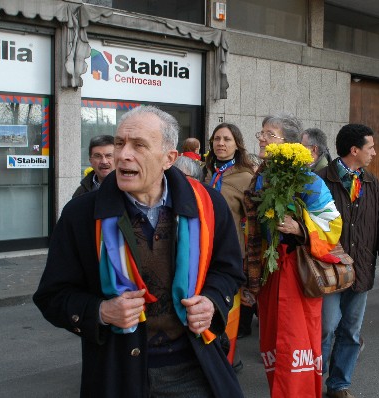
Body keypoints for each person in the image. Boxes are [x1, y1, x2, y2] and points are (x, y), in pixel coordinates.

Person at [33, 105, 246, 398]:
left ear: (169, 158)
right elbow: (52, 296)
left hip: (194, 368)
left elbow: (229, 271)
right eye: (119, 143)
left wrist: (211, 302)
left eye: (139, 145)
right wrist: (101, 311)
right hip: (116, 372)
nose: (122, 155)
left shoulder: (207, 205)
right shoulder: (81, 215)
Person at [245, 114, 342, 397]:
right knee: (272, 344)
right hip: (268, 269)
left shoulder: (308, 180)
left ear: (288, 143)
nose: (262, 138)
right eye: (261, 133)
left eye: (269, 134)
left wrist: (300, 227)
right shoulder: (259, 178)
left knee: (296, 346)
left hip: (298, 273)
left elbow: (333, 225)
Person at [316, 124, 379, 398]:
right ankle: (314, 381)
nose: (374, 153)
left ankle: (339, 384)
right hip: (328, 271)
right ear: (354, 150)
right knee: (325, 329)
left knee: (351, 332)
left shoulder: (373, 185)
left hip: (361, 271)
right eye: (370, 148)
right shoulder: (320, 181)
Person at [203, 122, 255, 368]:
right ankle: (208, 359)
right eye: (217, 139)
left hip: (229, 256)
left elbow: (254, 222)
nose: (221, 143)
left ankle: (228, 362)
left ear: (237, 145)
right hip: (202, 254)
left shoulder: (246, 178)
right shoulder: (205, 172)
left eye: (227, 139)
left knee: (229, 310)